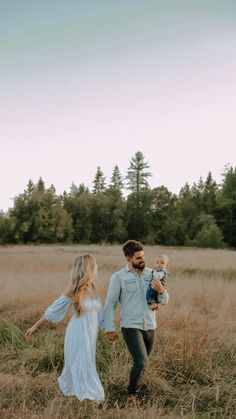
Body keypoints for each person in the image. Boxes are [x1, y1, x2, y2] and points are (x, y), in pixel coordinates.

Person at [25, 254, 105, 402]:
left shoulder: (93, 287)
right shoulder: (73, 289)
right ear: (88, 268)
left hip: (91, 332)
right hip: (78, 331)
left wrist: (108, 329)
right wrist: (35, 326)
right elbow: (53, 310)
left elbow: (100, 312)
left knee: (88, 361)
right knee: (79, 361)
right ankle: (83, 393)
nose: (96, 268)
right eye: (94, 265)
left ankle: (84, 391)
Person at [103, 240, 169, 403]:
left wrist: (161, 291)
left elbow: (164, 300)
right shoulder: (118, 277)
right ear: (128, 259)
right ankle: (131, 396)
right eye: (138, 257)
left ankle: (137, 389)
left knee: (143, 364)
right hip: (130, 325)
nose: (142, 260)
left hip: (150, 325)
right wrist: (109, 328)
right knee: (141, 360)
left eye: (143, 256)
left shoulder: (152, 274)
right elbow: (110, 303)